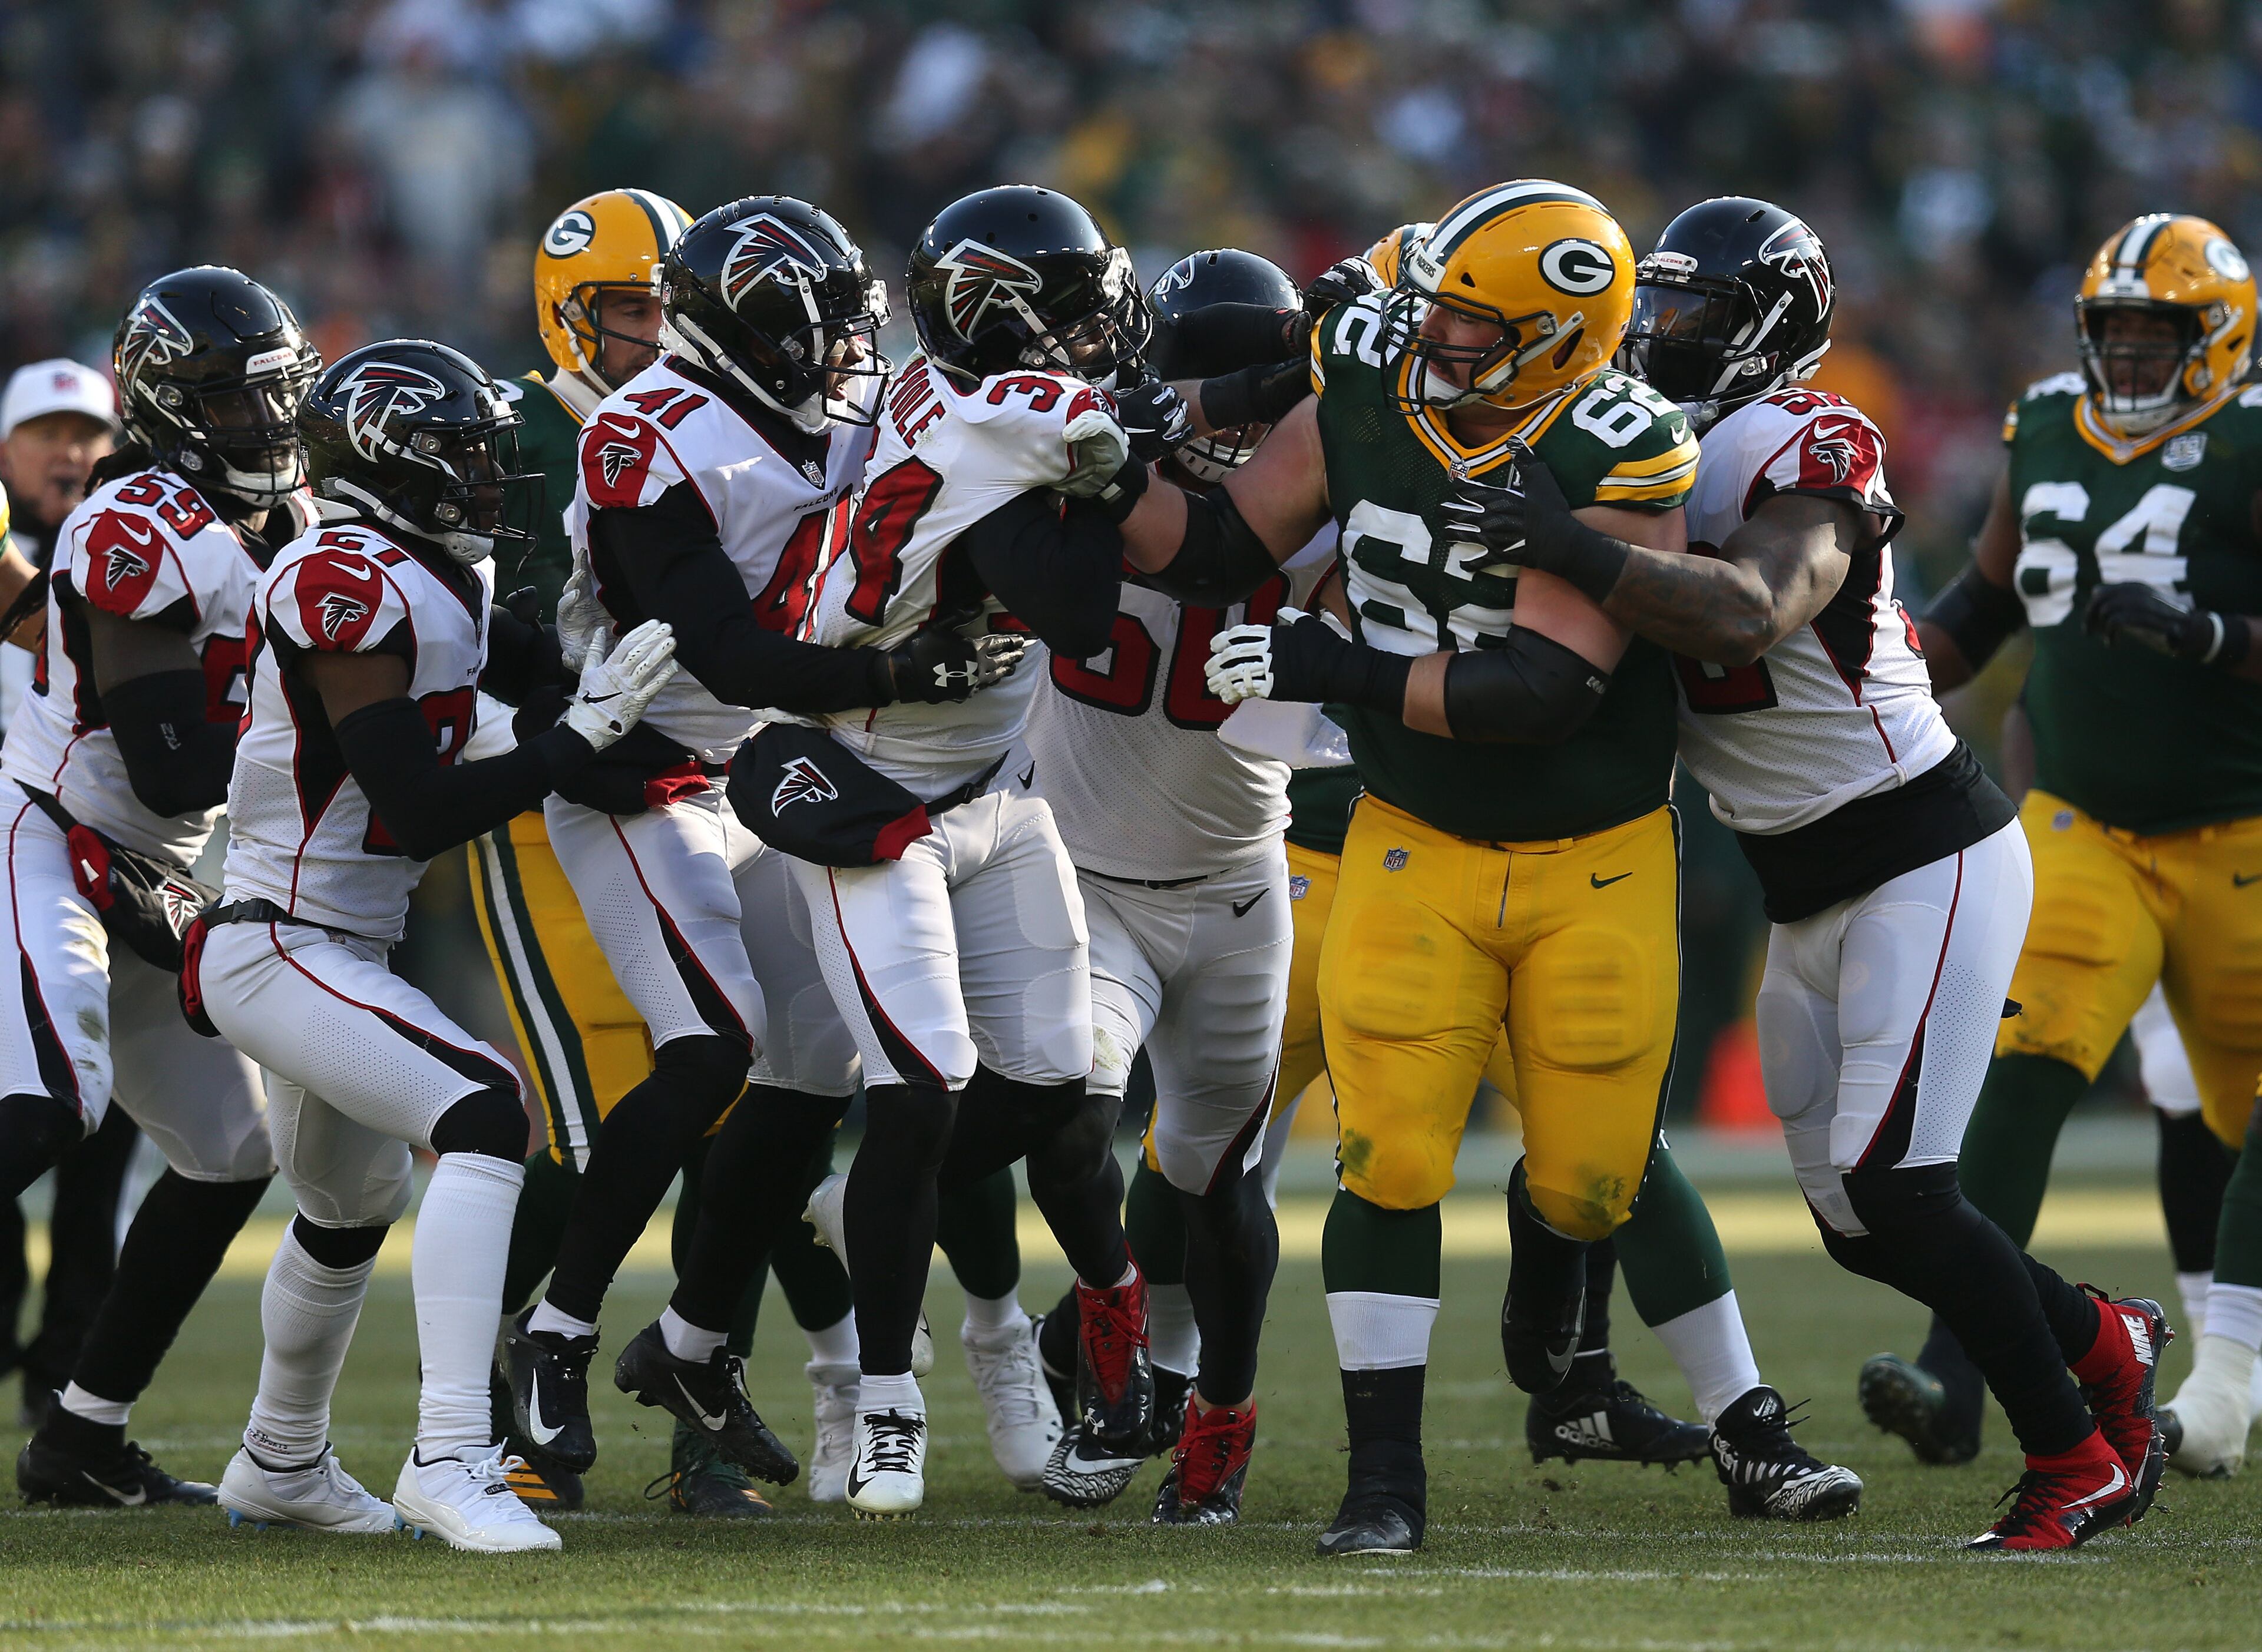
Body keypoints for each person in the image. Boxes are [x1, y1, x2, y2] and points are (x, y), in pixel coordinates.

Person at [1117, 179, 1858, 1555]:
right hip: (1406, 835)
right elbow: (1225, 543)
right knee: (1381, 1154)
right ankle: (1371, 1479)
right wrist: (1112, 478)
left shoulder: (1621, 443)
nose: (1439, 338)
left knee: (1594, 1178)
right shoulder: (1371, 376)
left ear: (1564, 336)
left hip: (1594, 852)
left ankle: (1569, 1358)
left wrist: (1331, 661)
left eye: (1474, 320)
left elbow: (1542, 691)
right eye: (1437, 307)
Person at [1460, 195, 2165, 1550]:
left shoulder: (1812, 435)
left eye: (1691, 316)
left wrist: (1558, 538)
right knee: (1856, 1219)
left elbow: (1753, 605)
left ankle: (2075, 1456)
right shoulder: (1629, 432)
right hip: (1800, 880)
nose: (1659, 337)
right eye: (1650, 309)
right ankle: (2101, 1337)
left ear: (1769, 327)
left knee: (1903, 1186)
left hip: (1922, 847)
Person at [497, 195, 1046, 1509]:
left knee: (818, 1080)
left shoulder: (856, 407)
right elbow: (727, 650)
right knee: (712, 1049)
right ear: (739, 327)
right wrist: (911, 672)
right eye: (815, 326)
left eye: (852, 321)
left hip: (774, 776)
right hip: (644, 780)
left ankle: (693, 1345)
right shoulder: (644, 436)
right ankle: (553, 1342)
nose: (843, 349)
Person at [733, 183, 1166, 1521]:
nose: (1104, 331)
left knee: (1049, 1089)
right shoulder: (1010, 432)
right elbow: (1084, 611)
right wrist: (1123, 469)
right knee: (921, 1092)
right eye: (1081, 309)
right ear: (1012, 317)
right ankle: (885, 1404)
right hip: (870, 783)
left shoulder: (945, 392)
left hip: (986, 784)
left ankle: (861, 1210)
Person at [201, 337, 678, 1551]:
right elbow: (420, 804)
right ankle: (455, 1451)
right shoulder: (344, 576)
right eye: (462, 455)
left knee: (348, 1206)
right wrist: (576, 739)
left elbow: (565, 698)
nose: (484, 476)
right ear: (387, 461)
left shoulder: (445, 581)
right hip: (278, 937)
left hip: (343, 939)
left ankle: (280, 1459)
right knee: (483, 1109)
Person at [1873, 213, 2262, 1478]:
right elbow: (1980, 608)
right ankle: (1958, 1371)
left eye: (2162, 334)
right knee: (2023, 1060)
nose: (2135, 356)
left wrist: (2208, 634)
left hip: (2245, 827)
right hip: (2082, 818)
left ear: (2221, 339)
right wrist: (1866, 671)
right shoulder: (2043, 422)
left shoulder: (2251, 433)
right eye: (2118, 333)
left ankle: (2232, 1375)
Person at [0, 270, 311, 1507]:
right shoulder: (133, 517)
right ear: (181, 405)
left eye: (280, 397)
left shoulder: (283, 521)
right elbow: (170, 756)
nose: (270, 425)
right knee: (51, 1104)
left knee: (234, 1146)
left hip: (153, 867)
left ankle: (78, 1434)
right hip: (49, 831)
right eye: (242, 400)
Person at [0, 356, 132, 1432]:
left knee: (109, 1135)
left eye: (86, 431)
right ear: (4, 456)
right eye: (44, 432)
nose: (68, 450)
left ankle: (68, 1378)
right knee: (36, 1111)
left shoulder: (138, 558)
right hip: (20, 871)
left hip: (126, 888)